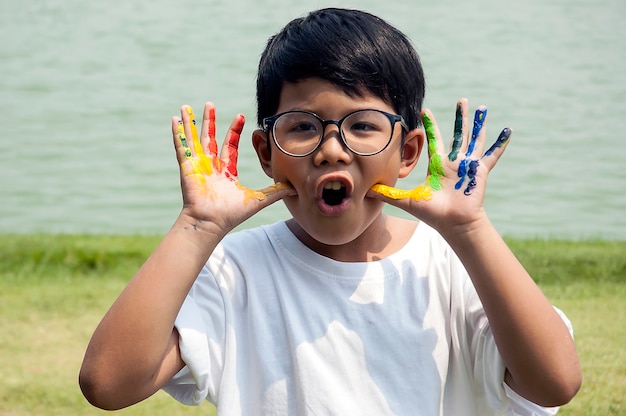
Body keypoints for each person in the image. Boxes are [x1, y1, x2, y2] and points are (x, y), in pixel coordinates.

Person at [79, 8, 581, 415]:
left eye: (362, 125)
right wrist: (198, 226)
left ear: (408, 153)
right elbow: (108, 384)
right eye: (301, 126)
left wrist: (470, 229)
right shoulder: (235, 271)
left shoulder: (450, 265)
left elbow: (554, 383)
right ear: (266, 153)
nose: (331, 150)